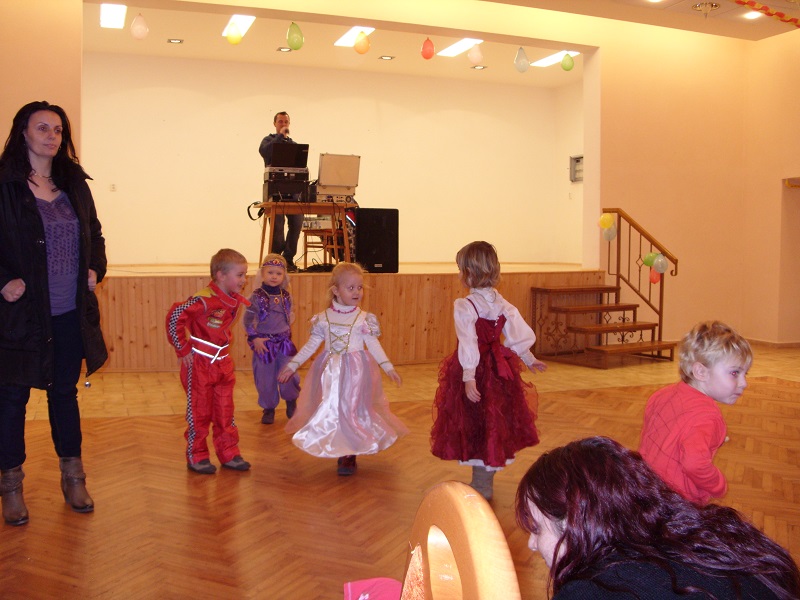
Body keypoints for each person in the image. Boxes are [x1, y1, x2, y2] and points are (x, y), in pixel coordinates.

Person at [515, 436, 800, 599]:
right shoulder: (723, 534)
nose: (531, 544)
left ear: (573, 521)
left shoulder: (591, 592)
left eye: (537, 529)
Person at [0, 100, 108, 525]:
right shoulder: (5, 184)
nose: (51, 135)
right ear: (23, 132)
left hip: (68, 312)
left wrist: (95, 267)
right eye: (42, 127)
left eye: (58, 129)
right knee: (12, 400)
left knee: (64, 394)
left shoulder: (73, 183)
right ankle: (11, 487)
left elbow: (94, 232)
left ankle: (73, 477)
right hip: (20, 316)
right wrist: (2, 280)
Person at [430, 241, 546, 500]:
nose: (460, 274)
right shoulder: (500, 302)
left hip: (479, 370)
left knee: (478, 422)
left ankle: (482, 484)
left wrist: (469, 376)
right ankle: (485, 478)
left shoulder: (466, 305)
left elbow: (469, 342)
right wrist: (527, 357)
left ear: (470, 273)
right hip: (498, 369)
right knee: (492, 421)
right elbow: (516, 332)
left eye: (461, 269)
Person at [278, 262, 407, 476]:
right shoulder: (323, 318)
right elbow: (311, 345)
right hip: (331, 372)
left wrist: (388, 367)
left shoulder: (363, 319)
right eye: (351, 288)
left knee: (351, 408)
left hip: (356, 372)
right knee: (333, 409)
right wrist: (292, 365)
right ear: (336, 291)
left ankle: (349, 453)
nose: (357, 292)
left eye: (360, 287)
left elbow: (373, 344)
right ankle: (338, 444)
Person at [638, 320, 752, 505]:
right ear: (700, 371)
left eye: (745, 374)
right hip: (678, 502)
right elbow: (694, 464)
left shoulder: (662, 394)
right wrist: (718, 484)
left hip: (645, 486)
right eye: (735, 373)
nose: (744, 383)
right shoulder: (708, 417)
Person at [165, 249, 252, 474]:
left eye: (244, 274)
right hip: (200, 366)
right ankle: (198, 455)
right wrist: (182, 349)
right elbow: (175, 316)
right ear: (221, 275)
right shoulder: (204, 300)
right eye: (240, 275)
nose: (244, 280)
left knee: (225, 411)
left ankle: (229, 452)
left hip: (223, 363)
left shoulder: (231, 299)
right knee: (199, 412)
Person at [243, 254, 301, 425]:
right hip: (264, 345)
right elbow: (247, 320)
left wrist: (287, 336)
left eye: (278, 273)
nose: (274, 276)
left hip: (284, 344)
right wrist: (254, 338)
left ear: (284, 276)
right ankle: (268, 408)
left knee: (288, 373)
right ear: (262, 274)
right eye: (270, 272)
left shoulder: (286, 296)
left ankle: (291, 401)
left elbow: (287, 318)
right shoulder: (256, 296)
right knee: (265, 379)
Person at [259, 111, 302, 272]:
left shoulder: (293, 145)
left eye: (286, 122)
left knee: (296, 223)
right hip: (274, 190)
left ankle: (288, 259)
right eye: (280, 122)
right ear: (275, 124)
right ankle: (276, 259)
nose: (283, 124)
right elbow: (265, 152)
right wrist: (280, 137)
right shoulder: (268, 140)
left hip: (293, 191)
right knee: (277, 227)